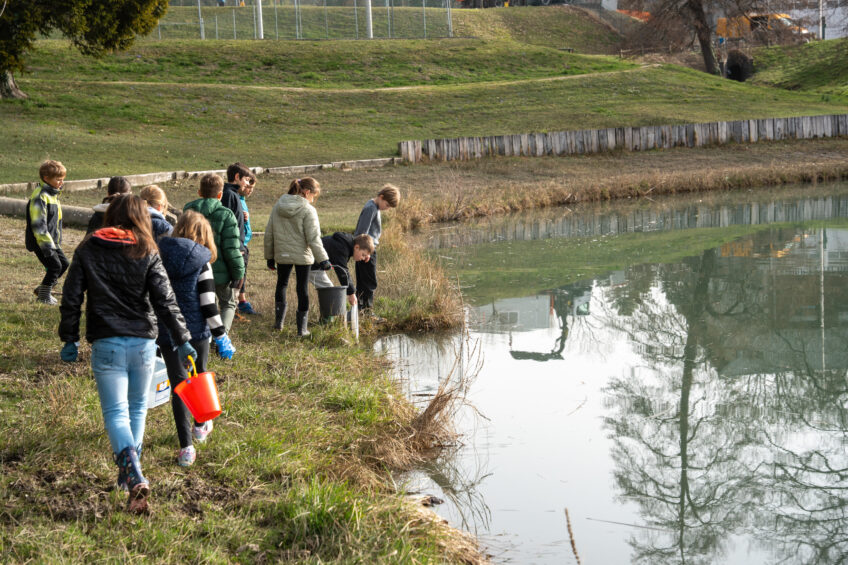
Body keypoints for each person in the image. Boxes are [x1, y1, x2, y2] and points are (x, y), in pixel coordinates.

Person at [58, 194, 196, 515]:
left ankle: (131, 473)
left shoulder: (89, 247)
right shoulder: (148, 249)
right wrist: (183, 339)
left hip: (106, 342)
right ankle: (129, 475)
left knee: (116, 413)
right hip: (144, 344)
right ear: (141, 217)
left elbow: (71, 296)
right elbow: (166, 301)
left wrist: (69, 339)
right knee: (137, 408)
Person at [157, 210, 235, 467]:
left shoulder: (159, 254)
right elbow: (209, 304)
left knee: (178, 386)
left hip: (168, 331)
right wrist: (221, 335)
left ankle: (186, 447)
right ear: (204, 235)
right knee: (198, 377)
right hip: (197, 332)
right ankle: (201, 424)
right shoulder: (202, 261)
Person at [265, 177, 331, 336]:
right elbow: (314, 238)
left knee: (282, 284)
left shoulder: (277, 206)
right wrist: (324, 260)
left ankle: (278, 323)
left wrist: (269, 256)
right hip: (302, 255)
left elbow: (269, 233)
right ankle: (302, 329)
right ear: (307, 192)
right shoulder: (308, 210)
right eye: (313, 196)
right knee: (302, 288)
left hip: (282, 253)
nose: (313, 200)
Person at [183, 173, 245, 333]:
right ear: (220, 194)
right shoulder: (226, 214)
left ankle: (204, 334)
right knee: (229, 303)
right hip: (221, 271)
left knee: (201, 303)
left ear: (199, 192)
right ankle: (221, 336)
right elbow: (232, 248)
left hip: (194, 269)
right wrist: (239, 273)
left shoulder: (188, 211)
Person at [26, 160, 69, 305]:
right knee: (55, 266)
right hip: (42, 242)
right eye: (58, 179)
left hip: (53, 241)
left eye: (62, 179)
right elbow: (39, 225)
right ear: (46, 178)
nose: (61, 182)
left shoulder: (53, 195)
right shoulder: (40, 196)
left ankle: (43, 288)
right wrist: (48, 246)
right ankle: (43, 296)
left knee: (64, 264)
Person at [354, 184, 400, 316]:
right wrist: (366, 253)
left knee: (364, 281)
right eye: (387, 205)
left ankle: (362, 311)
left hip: (367, 250)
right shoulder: (371, 209)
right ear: (381, 197)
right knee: (368, 282)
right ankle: (367, 312)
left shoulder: (373, 207)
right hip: (366, 251)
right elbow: (362, 232)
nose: (387, 208)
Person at [309, 233, 375, 309]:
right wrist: (351, 293)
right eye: (363, 255)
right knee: (329, 292)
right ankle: (329, 317)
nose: (363, 258)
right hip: (311, 264)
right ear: (356, 247)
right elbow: (342, 272)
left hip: (315, 264)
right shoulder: (342, 248)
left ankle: (330, 316)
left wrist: (367, 255)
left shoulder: (348, 242)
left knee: (330, 291)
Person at [235, 170, 258, 315]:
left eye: (252, 188)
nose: (250, 190)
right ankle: (239, 302)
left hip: (245, 242)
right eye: (248, 186)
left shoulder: (242, 200)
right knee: (239, 274)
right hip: (239, 244)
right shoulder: (236, 198)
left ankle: (242, 300)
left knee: (243, 274)